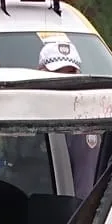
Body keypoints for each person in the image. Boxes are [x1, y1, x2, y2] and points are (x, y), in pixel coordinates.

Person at [38, 39, 101, 201]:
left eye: (70, 73)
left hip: (63, 214)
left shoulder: (83, 125)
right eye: (58, 73)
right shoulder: (27, 114)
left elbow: (83, 188)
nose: (65, 80)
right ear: (39, 72)